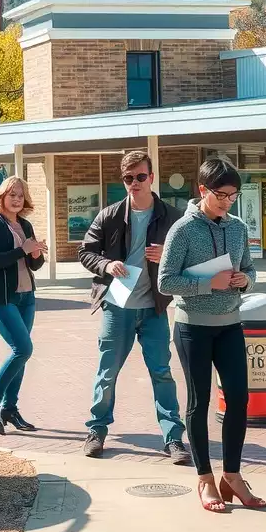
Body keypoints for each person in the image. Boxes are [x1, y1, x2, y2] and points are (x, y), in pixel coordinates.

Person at [158, 157, 264, 513]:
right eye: (221, 194)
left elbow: (250, 268)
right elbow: (166, 281)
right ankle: (204, 479)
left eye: (233, 195)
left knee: (239, 400)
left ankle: (232, 475)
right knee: (198, 401)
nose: (227, 201)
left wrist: (244, 280)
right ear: (202, 190)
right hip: (193, 328)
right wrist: (208, 283)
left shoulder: (236, 228)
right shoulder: (182, 230)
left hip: (231, 324)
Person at [78, 149, 190, 463]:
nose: (135, 183)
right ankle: (97, 431)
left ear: (152, 178)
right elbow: (86, 252)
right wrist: (106, 264)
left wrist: (168, 252)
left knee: (162, 373)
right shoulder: (110, 215)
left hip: (154, 307)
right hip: (117, 305)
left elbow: (191, 256)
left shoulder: (172, 216)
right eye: (129, 178)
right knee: (107, 372)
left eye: (141, 177)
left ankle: (173, 439)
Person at [0, 175, 47, 435]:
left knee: (22, 355)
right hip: (0, 299)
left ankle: (10, 408)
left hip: (27, 297)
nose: (16, 199)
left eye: (20, 195)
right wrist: (22, 250)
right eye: (12, 194)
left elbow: (34, 265)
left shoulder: (26, 225)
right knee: (22, 349)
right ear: (2, 197)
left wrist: (35, 254)